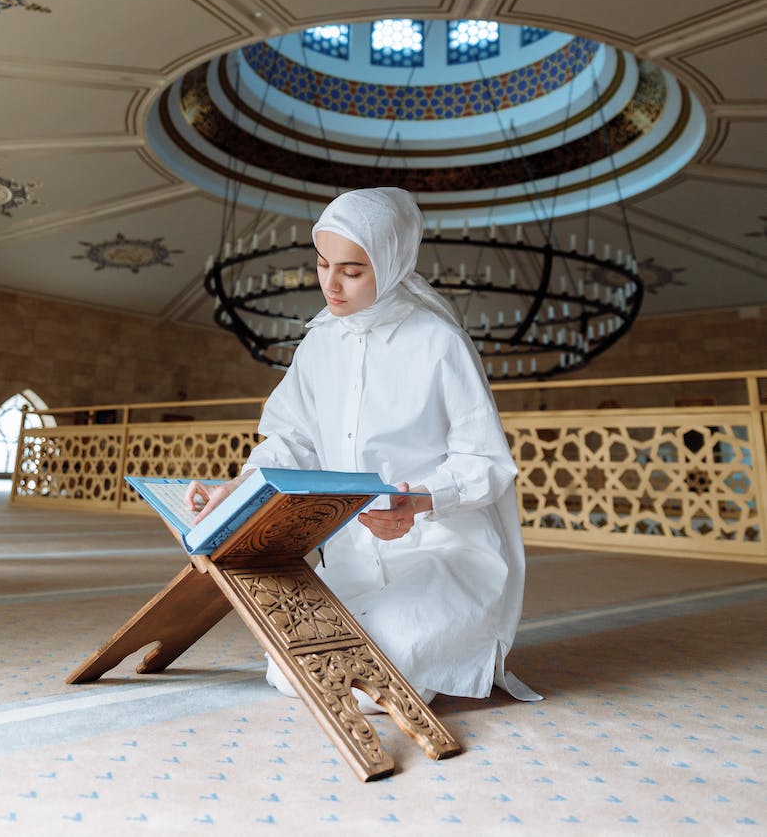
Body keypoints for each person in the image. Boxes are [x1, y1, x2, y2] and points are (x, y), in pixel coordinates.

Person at [186, 187, 538, 708]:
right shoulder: (320, 343)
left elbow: (485, 462)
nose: (330, 284)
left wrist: (419, 501)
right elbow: (292, 441)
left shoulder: (439, 343)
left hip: (441, 551)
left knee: (374, 668)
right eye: (322, 264)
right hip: (351, 558)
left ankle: (441, 641)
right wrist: (240, 486)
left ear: (392, 261)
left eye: (351, 270)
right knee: (294, 665)